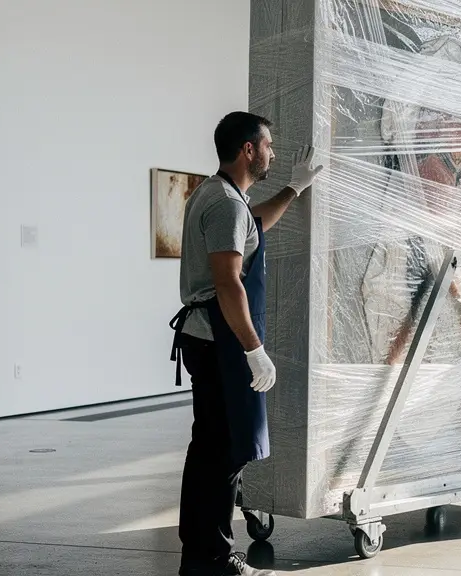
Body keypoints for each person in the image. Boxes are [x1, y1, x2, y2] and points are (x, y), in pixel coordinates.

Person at [168, 111, 323, 576]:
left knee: (210, 451)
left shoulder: (222, 196)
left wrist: (296, 188)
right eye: (269, 146)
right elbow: (229, 283)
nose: (273, 153)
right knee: (225, 454)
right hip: (220, 341)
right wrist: (254, 349)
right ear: (247, 150)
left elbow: (256, 225)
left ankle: (199, 556)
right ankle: (216, 559)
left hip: (211, 339)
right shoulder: (225, 204)